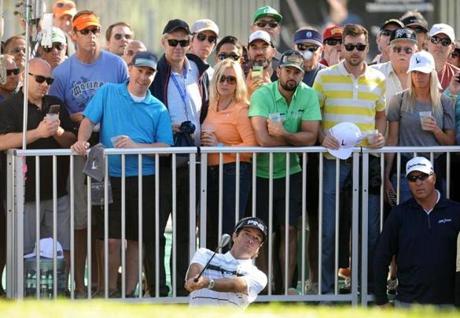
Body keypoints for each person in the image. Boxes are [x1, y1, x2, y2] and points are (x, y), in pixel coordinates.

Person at [71, 51, 173, 297]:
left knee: (137, 240)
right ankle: (109, 292)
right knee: (110, 238)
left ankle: (128, 295)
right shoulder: (107, 92)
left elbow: (167, 147)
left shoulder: (158, 108)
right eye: (140, 70)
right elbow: (87, 121)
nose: (144, 76)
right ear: (130, 69)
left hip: (145, 180)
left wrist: (136, 146)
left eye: (150, 72)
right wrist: (82, 142)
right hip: (108, 177)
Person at [49, 9, 128, 297]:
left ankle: (102, 284)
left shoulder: (117, 65)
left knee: (105, 222)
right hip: (79, 148)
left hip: (108, 147)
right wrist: (81, 117)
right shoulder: (62, 72)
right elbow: (53, 113)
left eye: (95, 30)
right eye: (85, 31)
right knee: (81, 221)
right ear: (74, 35)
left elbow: (125, 103)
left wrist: (96, 116)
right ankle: (80, 285)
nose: (91, 35)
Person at [313, 24, 386, 294]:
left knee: (368, 229)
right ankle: (326, 291)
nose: (355, 52)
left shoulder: (378, 79)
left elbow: (380, 114)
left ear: (368, 48)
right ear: (341, 46)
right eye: (350, 46)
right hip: (333, 161)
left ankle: (365, 289)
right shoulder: (324, 76)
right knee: (330, 229)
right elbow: (315, 115)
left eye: (360, 47)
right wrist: (322, 137)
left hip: (367, 160)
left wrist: (380, 136)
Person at [249, 50, 321, 294]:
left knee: (290, 229)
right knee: (263, 234)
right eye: (288, 70)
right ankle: (266, 288)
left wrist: (283, 134)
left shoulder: (309, 95)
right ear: (278, 70)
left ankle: (286, 289)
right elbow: (262, 140)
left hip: (291, 171)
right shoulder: (262, 94)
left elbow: (311, 138)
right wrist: (294, 142)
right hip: (260, 174)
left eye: (297, 72)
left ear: (303, 74)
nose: (292, 75)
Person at [149, 18, 209, 297]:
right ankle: (158, 288)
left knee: (186, 229)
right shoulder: (155, 71)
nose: (178, 47)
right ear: (164, 42)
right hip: (162, 158)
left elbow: (205, 109)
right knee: (157, 228)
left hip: (193, 158)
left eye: (184, 42)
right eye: (173, 42)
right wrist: (168, 128)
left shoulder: (198, 69)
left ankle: (183, 289)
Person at [0, 58, 76, 263]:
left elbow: (71, 140)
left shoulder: (56, 104)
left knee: (62, 247)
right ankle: (24, 294)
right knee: (23, 251)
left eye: (49, 81)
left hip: (57, 191)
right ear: (25, 77)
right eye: (40, 79)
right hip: (24, 194)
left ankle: (61, 290)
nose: (45, 85)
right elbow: (3, 141)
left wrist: (57, 131)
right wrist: (39, 133)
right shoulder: (9, 106)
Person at [374, 156, 460, 307]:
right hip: (407, 303)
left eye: (423, 176)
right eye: (413, 178)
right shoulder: (399, 214)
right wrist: (381, 300)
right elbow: (382, 256)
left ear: (433, 178)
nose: (418, 182)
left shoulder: (455, 211)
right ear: (408, 183)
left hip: (449, 304)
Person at [385, 50, 455, 204]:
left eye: (423, 72)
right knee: (407, 219)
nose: (418, 76)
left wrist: (436, 130)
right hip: (405, 168)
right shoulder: (399, 99)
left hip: (434, 169)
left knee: (435, 219)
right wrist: (386, 175)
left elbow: (450, 142)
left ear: (432, 73)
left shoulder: (445, 101)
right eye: (415, 72)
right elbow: (392, 139)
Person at [200, 59, 257, 250]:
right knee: (211, 227)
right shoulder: (210, 105)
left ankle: (228, 274)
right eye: (222, 78)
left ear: (238, 83)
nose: (225, 83)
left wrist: (221, 146)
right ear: (215, 80)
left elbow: (251, 147)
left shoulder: (242, 109)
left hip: (235, 173)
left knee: (229, 227)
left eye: (231, 80)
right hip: (211, 173)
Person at [185, 217, 268, 308]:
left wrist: (208, 283)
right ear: (234, 236)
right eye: (247, 234)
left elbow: (235, 285)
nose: (250, 240)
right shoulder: (204, 254)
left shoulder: (258, 276)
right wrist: (193, 280)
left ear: (259, 247)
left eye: (256, 238)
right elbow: (193, 276)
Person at [371, 28, 418, 106]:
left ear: (416, 52)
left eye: (408, 50)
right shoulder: (373, 73)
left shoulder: (425, 75)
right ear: (389, 51)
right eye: (397, 49)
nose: (402, 53)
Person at [427, 23, 460, 91]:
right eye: (435, 39)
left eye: (445, 42)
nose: (439, 45)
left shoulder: (457, 76)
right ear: (427, 42)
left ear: (452, 47)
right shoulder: (413, 71)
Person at [245, 30, 275, 97]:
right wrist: (247, 93)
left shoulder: (283, 78)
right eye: (254, 47)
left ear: (273, 52)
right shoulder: (239, 79)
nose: (259, 52)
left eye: (264, 47)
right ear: (248, 53)